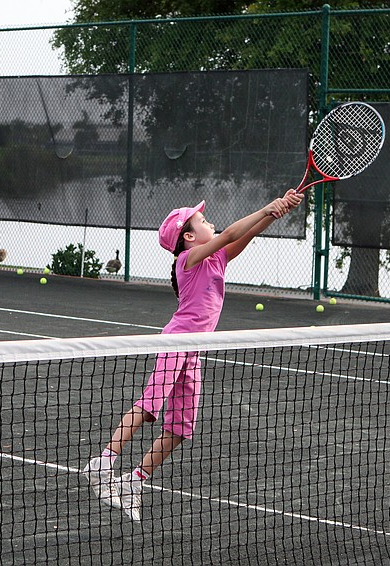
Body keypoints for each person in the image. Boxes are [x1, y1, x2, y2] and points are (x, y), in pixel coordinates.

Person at [82, 188, 304, 521]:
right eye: (202, 220)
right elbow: (230, 232)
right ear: (189, 236)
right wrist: (265, 206)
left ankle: (133, 482)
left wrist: (277, 211)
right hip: (176, 342)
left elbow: (243, 236)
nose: (209, 221)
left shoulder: (218, 258)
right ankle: (101, 464)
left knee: (180, 429)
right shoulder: (188, 260)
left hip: (195, 351)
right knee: (149, 405)